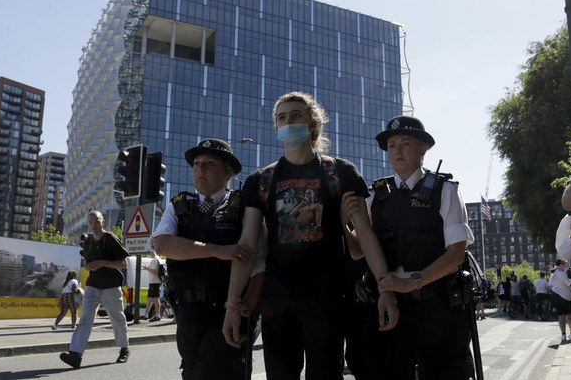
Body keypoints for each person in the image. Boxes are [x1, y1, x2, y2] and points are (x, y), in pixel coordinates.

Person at [222, 92, 396, 380]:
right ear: (276, 127)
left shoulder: (340, 172)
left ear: (313, 123)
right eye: (282, 117)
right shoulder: (261, 181)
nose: (288, 121)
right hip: (276, 304)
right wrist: (231, 306)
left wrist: (386, 290)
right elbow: (246, 247)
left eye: (296, 115)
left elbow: (365, 235)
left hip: (326, 300)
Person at [345, 116, 475, 379]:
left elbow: (455, 254)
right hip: (387, 306)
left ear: (423, 150)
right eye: (392, 145)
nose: (397, 150)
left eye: (405, 143)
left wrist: (413, 282)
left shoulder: (445, 190)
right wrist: (342, 224)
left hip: (436, 308)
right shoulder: (374, 195)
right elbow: (359, 250)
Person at [149, 138, 253, 380]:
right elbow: (163, 244)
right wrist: (219, 250)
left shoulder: (243, 206)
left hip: (227, 308)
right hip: (187, 312)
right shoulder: (179, 206)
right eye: (196, 164)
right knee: (193, 372)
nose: (200, 169)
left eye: (209, 163)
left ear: (228, 172)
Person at [59, 211, 130, 369]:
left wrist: (102, 263)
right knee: (85, 319)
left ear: (103, 222)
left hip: (111, 285)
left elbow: (123, 263)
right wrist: (89, 265)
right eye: (90, 223)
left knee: (117, 319)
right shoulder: (88, 241)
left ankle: (124, 348)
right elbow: (88, 262)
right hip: (93, 284)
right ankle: (76, 355)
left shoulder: (111, 239)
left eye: (96, 222)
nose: (93, 225)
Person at [548, 259, 571, 343]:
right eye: (564, 264)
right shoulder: (562, 273)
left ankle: (563, 335)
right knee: (569, 316)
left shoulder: (553, 274)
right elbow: (570, 285)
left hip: (556, 296)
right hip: (566, 296)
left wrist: (556, 289)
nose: (565, 265)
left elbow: (549, 286)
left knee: (560, 316)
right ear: (560, 264)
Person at [143, 251, 163, 322]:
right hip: (154, 281)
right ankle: (146, 315)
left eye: (149, 253)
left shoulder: (154, 260)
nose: (148, 254)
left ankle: (157, 315)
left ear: (152, 252)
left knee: (155, 298)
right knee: (149, 298)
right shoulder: (158, 259)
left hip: (154, 281)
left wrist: (147, 268)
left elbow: (154, 272)